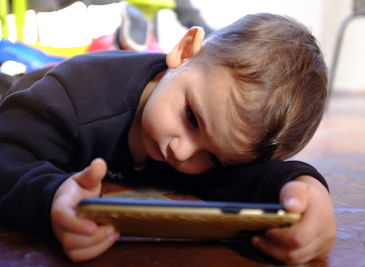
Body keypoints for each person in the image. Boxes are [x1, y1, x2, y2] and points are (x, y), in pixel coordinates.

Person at [0, 13, 335, 264]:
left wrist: (307, 191)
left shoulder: (208, 130)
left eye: (214, 158)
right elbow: (7, 155)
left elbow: (248, 176)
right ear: (185, 51)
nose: (182, 152)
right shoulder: (77, 98)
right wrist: (51, 197)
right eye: (191, 118)